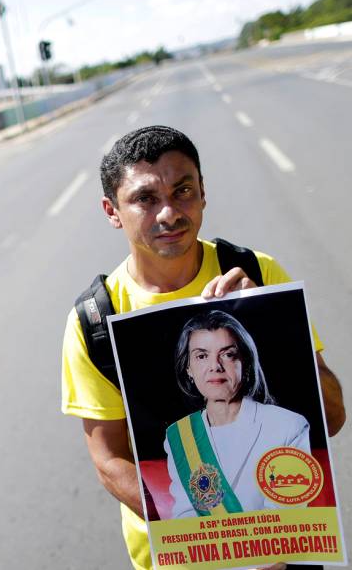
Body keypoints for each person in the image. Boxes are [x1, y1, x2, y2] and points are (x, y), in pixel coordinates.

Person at [60, 125, 346, 569]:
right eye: (145, 199)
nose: (170, 212)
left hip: (286, 556)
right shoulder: (97, 318)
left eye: (184, 190)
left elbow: (332, 417)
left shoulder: (257, 272)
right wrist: (215, 542)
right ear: (112, 211)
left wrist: (273, 327)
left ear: (204, 193)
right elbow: (111, 461)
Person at [164, 310, 310, 518]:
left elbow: (285, 519)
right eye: (202, 356)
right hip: (207, 550)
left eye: (228, 354)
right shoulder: (178, 435)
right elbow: (185, 516)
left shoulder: (289, 426)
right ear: (188, 368)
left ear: (246, 363)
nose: (215, 366)